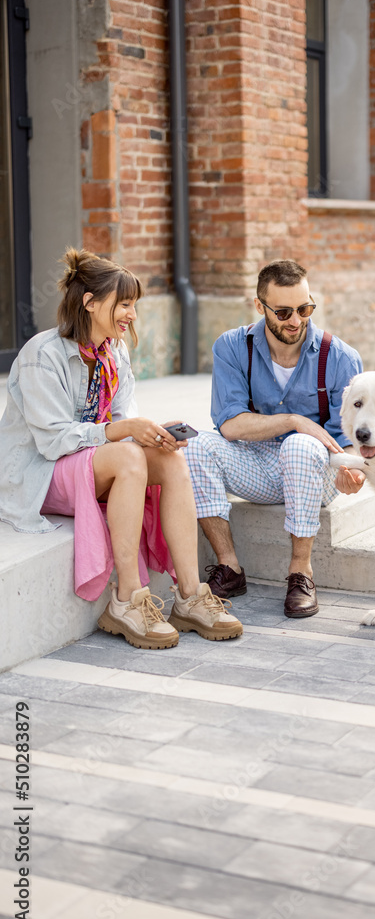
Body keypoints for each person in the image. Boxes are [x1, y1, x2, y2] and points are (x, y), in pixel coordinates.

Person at [0, 247, 242, 649]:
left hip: (93, 464)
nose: (131, 314)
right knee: (129, 455)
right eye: (124, 304)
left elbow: (121, 424)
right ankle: (127, 599)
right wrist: (122, 431)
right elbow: (54, 440)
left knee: (168, 455)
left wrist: (147, 432)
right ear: (89, 303)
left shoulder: (115, 353)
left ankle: (190, 595)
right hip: (39, 473)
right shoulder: (41, 354)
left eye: (134, 305)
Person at [184, 259, 366, 618]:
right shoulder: (233, 347)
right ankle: (230, 568)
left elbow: (353, 433)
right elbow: (231, 425)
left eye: (304, 309)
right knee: (194, 444)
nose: (296, 321)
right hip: (255, 464)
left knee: (300, 446)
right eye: (282, 312)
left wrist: (352, 465)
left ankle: (301, 573)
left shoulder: (341, 357)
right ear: (260, 306)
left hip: (317, 469)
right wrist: (295, 420)